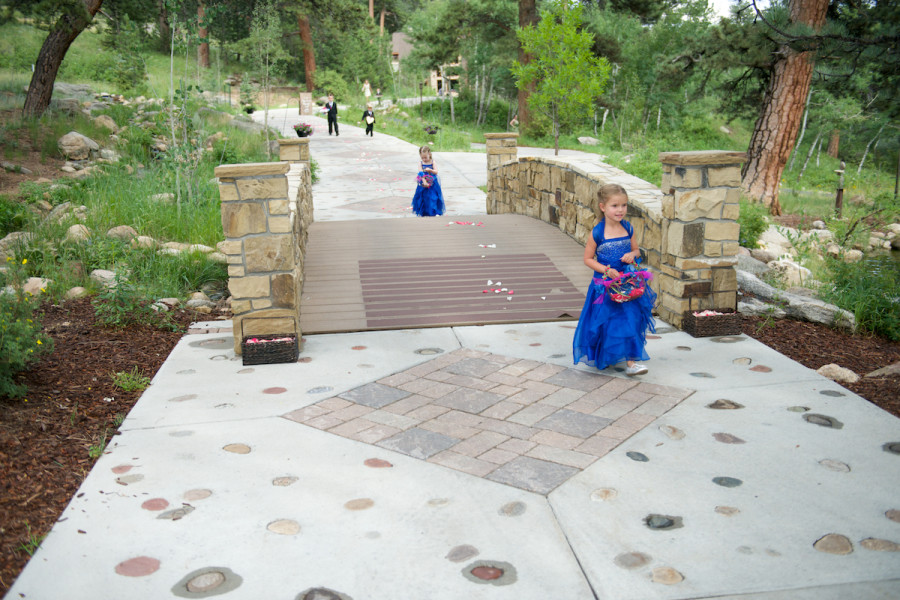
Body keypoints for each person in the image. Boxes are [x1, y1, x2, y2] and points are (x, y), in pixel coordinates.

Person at [572, 183, 656, 376]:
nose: (620, 210)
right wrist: (606, 269)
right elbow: (587, 259)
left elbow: (636, 250)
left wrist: (632, 255)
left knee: (630, 319)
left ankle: (632, 363)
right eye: (615, 206)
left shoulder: (628, 228)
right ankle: (605, 356)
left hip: (627, 284)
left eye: (624, 205)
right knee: (606, 322)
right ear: (603, 207)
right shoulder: (598, 233)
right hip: (605, 286)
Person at [411, 145, 445, 217]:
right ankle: (424, 211)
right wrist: (424, 182)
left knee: (433, 197)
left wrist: (430, 170)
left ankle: (433, 210)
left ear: (429, 154)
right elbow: (420, 173)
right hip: (423, 182)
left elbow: (436, 172)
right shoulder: (420, 163)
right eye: (422, 157)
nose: (424, 159)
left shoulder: (433, 162)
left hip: (433, 183)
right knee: (424, 197)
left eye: (425, 157)